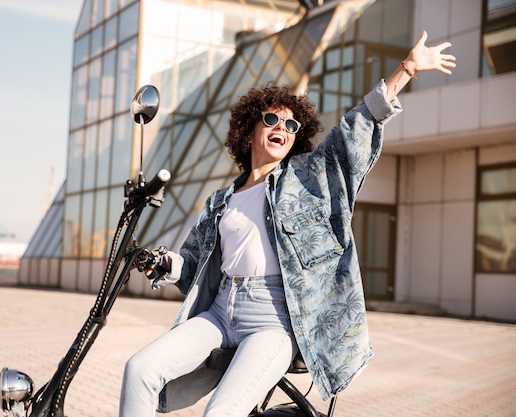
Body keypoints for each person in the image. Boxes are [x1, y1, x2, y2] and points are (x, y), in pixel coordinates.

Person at [119, 31, 456, 417]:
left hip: (275, 321)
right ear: (249, 132)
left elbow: (353, 132)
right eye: (271, 119)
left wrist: (407, 69)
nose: (282, 127)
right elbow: (193, 270)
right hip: (219, 312)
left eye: (291, 124)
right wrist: (163, 264)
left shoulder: (309, 178)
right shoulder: (219, 201)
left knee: (222, 411)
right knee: (139, 369)